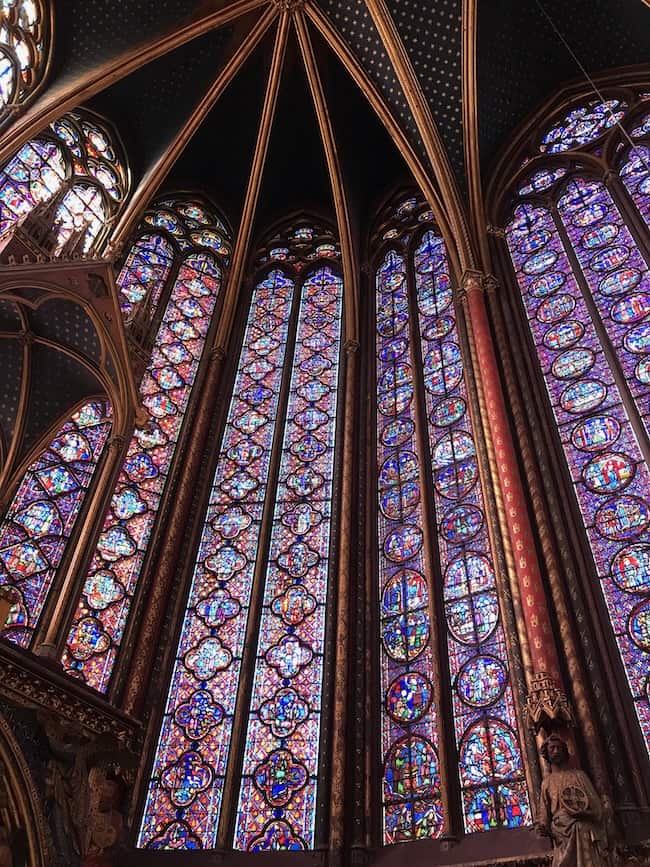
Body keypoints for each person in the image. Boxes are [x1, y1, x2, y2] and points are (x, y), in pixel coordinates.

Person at [535, 733, 609, 867]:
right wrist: (542, 827)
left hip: (584, 832)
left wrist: (583, 814)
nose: (556, 751)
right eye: (552, 748)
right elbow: (544, 814)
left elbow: (597, 809)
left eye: (559, 748)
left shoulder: (580, 776)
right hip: (562, 835)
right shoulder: (547, 782)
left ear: (565, 751)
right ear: (547, 755)